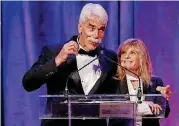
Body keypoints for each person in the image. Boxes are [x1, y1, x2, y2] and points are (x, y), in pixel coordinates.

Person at [22, 3, 117, 126]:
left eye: (101, 29)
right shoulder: (54, 52)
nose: (96, 35)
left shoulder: (109, 58)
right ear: (80, 27)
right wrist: (57, 60)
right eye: (91, 28)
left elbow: (119, 96)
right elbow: (28, 83)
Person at [109, 38, 171, 126]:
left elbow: (164, 112)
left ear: (141, 57)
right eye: (123, 53)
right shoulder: (113, 82)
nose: (126, 56)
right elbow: (113, 109)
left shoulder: (155, 82)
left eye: (132, 53)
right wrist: (144, 105)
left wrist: (162, 98)